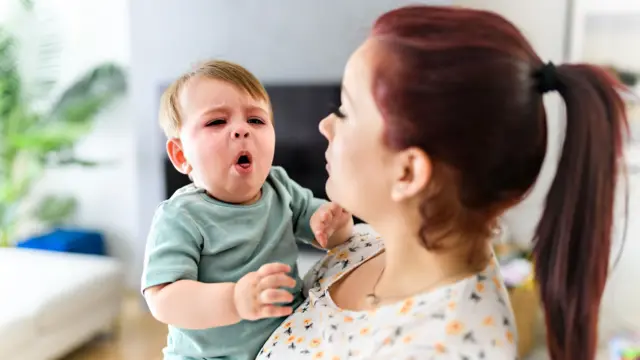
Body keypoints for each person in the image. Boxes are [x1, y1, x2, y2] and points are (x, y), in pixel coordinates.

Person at [256, 5, 628, 360]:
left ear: (409, 172)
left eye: (345, 110)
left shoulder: (444, 348)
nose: (324, 125)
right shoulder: (367, 243)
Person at [140, 60, 354, 360]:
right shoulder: (181, 216)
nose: (241, 130)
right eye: (216, 122)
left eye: (256, 120)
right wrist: (234, 300)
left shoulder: (279, 186)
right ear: (180, 155)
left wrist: (336, 225)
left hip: (285, 342)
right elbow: (163, 299)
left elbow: (324, 233)